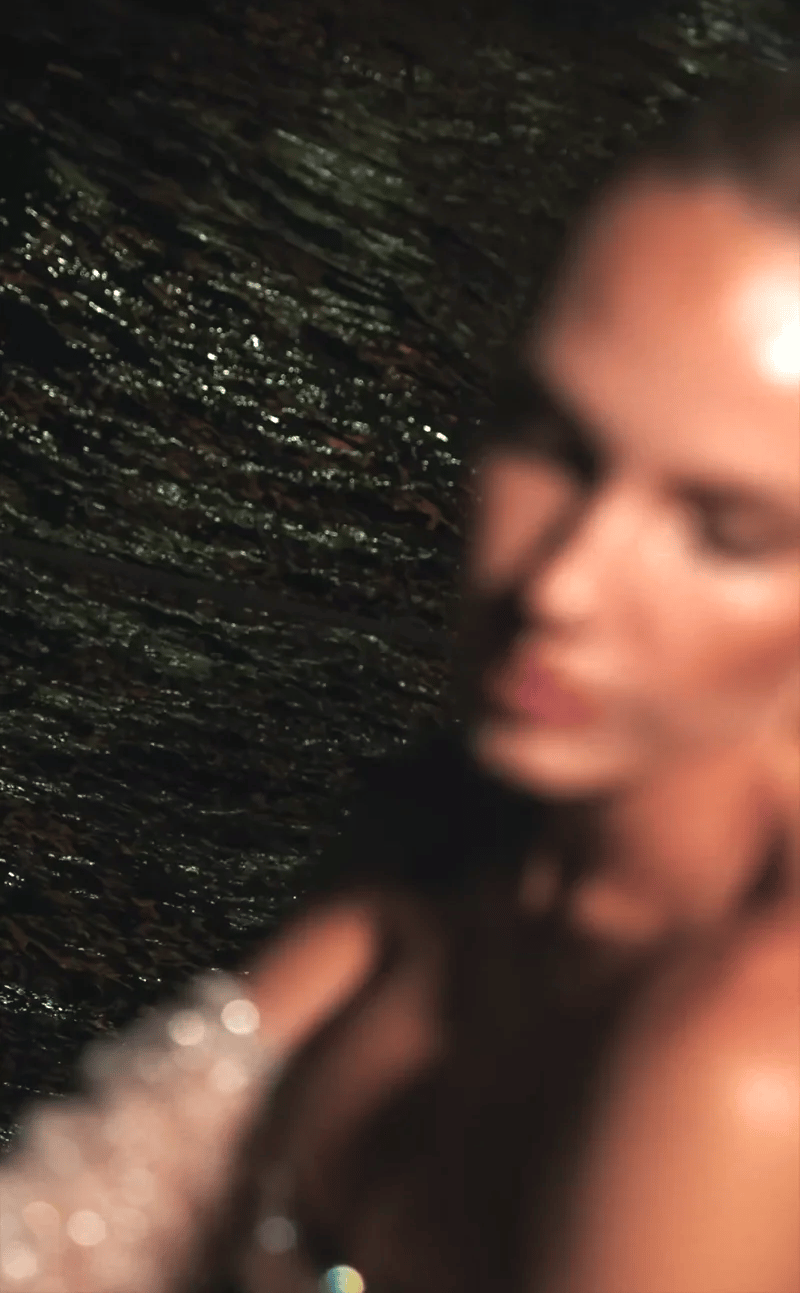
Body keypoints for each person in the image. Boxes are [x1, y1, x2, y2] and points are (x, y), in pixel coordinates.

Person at [2, 67, 798, 1293]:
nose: (561, 584)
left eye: (722, 530)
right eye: (553, 444)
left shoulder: (745, 1065)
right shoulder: (449, 853)